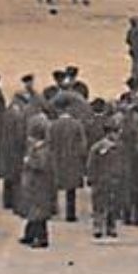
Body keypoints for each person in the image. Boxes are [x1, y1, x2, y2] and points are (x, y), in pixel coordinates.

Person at [47, 95, 87, 223]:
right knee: (71, 189)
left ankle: (52, 209)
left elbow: (49, 143)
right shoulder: (77, 124)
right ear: (69, 109)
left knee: (53, 186)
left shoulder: (53, 126)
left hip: (56, 159)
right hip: (72, 160)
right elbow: (83, 144)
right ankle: (71, 214)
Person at [86, 123, 126, 239]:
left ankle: (111, 227)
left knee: (113, 205)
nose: (117, 136)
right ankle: (98, 226)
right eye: (115, 133)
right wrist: (91, 178)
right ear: (109, 133)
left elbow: (122, 164)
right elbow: (91, 164)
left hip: (114, 179)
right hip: (100, 179)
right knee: (98, 205)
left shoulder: (120, 147)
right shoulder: (97, 147)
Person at [16, 126, 54, 247]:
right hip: (34, 185)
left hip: (39, 186)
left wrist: (29, 161)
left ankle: (41, 238)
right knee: (32, 212)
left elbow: (41, 165)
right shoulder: (36, 148)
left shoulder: (43, 150)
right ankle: (30, 235)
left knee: (38, 214)